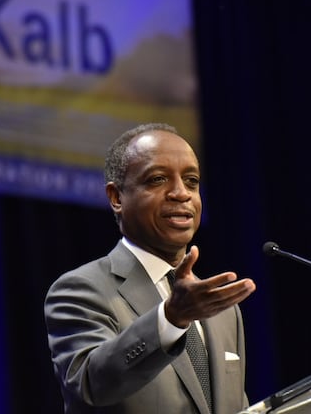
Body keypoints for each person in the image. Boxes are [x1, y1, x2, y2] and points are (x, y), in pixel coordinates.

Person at [44, 123, 256, 414]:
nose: (181, 193)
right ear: (117, 198)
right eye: (157, 179)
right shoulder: (81, 289)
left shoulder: (220, 309)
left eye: (192, 181)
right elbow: (91, 385)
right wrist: (171, 318)